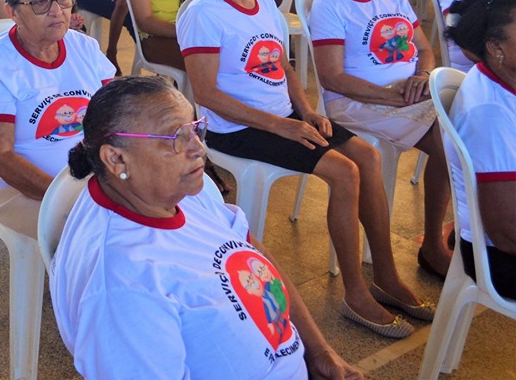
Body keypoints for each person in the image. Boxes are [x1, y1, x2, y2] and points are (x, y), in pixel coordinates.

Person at [179, 0, 432, 338]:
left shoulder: (262, 2)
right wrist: (281, 126)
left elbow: (282, 65)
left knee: (367, 157)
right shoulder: (204, 13)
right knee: (344, 171)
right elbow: (206, 94)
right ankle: (355, 292)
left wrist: (306, 109)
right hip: (236, 126)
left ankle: (385, 273)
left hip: (284, 116)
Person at [52, 76, 365, 379]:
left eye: (195, 129)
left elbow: (254, 254)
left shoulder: (183, 191)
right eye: (175, 137)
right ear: (117, 159)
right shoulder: (121, 287)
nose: (199, 149)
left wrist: (318, 351)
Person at [310, 0, 453, 278]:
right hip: (357, 102)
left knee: (466, 126)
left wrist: (421, 76)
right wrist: (391, 97)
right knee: (450, 142)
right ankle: (434, 245)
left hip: (408, 94)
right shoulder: (329, 5)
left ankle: (444, 239)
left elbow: (423, 48)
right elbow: (333, 78)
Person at [0, 0, 116, 239]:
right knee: (104, 233)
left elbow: (119, 114)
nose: (57, 10)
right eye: (40, 3)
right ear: (12, 11)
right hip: (15, 192)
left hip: (90, 179)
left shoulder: (83, 47)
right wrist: (66, 197)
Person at [444, 0, 516, 300]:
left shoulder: (503, 81)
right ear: (495, 46)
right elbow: (506, 232)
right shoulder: (490, 112)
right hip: (500, 260)